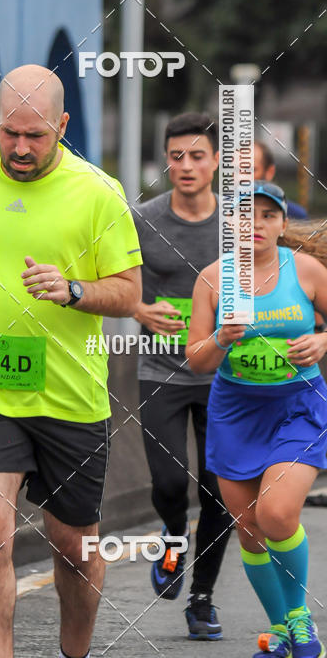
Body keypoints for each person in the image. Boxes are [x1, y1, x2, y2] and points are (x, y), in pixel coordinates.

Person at [0, 64, 143, 658]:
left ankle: (74, 652)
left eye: (35, 135)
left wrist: (73, 289)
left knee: (75, 548)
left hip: (70, 396)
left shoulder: (98, 192)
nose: (20, 148)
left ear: (62, 125)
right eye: (10, 132)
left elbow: (128, 293)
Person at [186, 180, 327, 658]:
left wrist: (323, 340)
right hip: (235, 412)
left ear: (282, 224)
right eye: (246, 214)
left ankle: (300, 617)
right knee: (248, 528)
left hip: (297, 406)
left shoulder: (305, 270)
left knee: (277, 514)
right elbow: (197, 360)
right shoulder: (211, 279)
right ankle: (281, 629)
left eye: (268, 215)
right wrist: (221, 339)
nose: (256, 224)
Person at [132, 112, 232, 640]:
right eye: (176, 157)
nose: (186, 165)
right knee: (170, 483)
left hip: (226, 378)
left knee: (219, 489)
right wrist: (140, 310)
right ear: (166, 162)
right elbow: (111, 277)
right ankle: (174, 536)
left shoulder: (236, 225)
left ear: (215, 162)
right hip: (162, 372)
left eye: (197, 156)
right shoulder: (142, 220)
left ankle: (202, 598)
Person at [254, 141, 308, 219]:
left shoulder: (294, 215)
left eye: (250, 170)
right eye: (236, 170)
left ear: (269, 172)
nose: (241, 177)